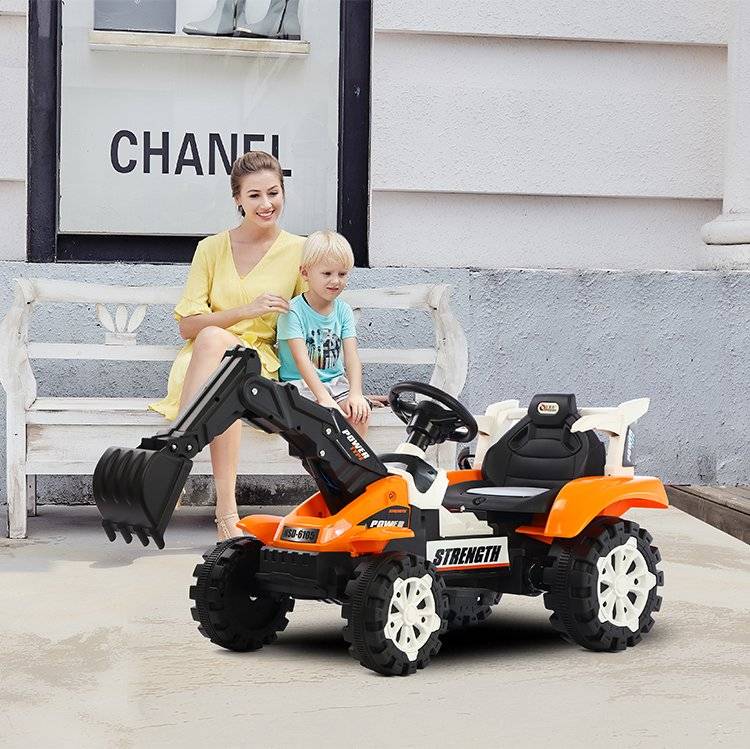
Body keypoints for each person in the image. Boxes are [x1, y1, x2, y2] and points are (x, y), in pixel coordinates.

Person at [149, 151, 305, 540]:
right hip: (201, 362)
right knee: (219, 360)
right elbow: (187, 326)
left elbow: (312, 321)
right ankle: (226, 514)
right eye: (254, 195)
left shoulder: (300, 251)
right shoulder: (211, 249)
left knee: (232, 377)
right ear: (238, 199)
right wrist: (245, 311)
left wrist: (337, 385)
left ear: (283, 192)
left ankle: (175, 456)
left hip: (258, 363)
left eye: (273, 193)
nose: (266, 204)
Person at [276, 230, 370, 437]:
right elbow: (301, 360)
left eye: (342, 274)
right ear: (305, 273)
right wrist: (323, 398)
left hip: (336, 384)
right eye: (327, 274)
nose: (335, 281)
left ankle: (354, 460)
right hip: (300, 386)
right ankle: (321, 461)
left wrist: (356, 393)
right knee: (322, 419)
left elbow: (352, 357)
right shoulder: (292, 312)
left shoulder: (343, 310)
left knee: (358, 415)